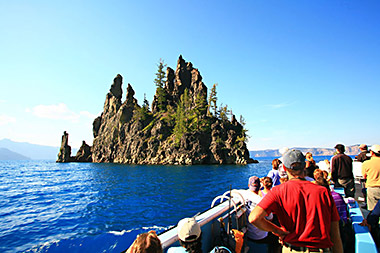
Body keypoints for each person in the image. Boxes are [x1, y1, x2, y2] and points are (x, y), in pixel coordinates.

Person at [249, 149, 343, 253]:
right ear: (304, 166)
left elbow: (254, 218)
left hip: (292, 249)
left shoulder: (278, 191)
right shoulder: (323, 192)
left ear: (284, 168)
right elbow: (335, 232)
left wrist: (278, 231)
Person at [240, 176, 281, 253]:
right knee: (276, 239)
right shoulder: (262, 201)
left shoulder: (244, 194)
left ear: (249, 186)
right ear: (260, 186)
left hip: (249, 235)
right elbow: (270, 218)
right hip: (261, 236)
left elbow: (234, 191)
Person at [361, 144, 380, 211]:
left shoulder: (366, 163)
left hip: (372, 188)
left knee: (373, 210)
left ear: (371, 152)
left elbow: (364, 175)